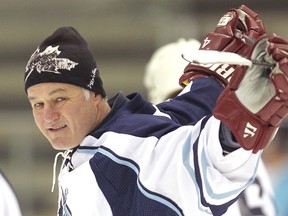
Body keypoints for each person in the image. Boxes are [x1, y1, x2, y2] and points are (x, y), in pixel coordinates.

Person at [23, 5, 288, 216]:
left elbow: (196, 165)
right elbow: (186, 112)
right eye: (38, 104)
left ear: (94, 95)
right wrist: (213, 82)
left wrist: (237, 122)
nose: (48, 116)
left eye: (60, 99)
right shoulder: (133, 128)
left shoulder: (115, 157)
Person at [144, 38, 278, 216]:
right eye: (180, 96)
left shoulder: (164, 167)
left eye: (204, 93)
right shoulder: (240, 151)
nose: (195, 106)